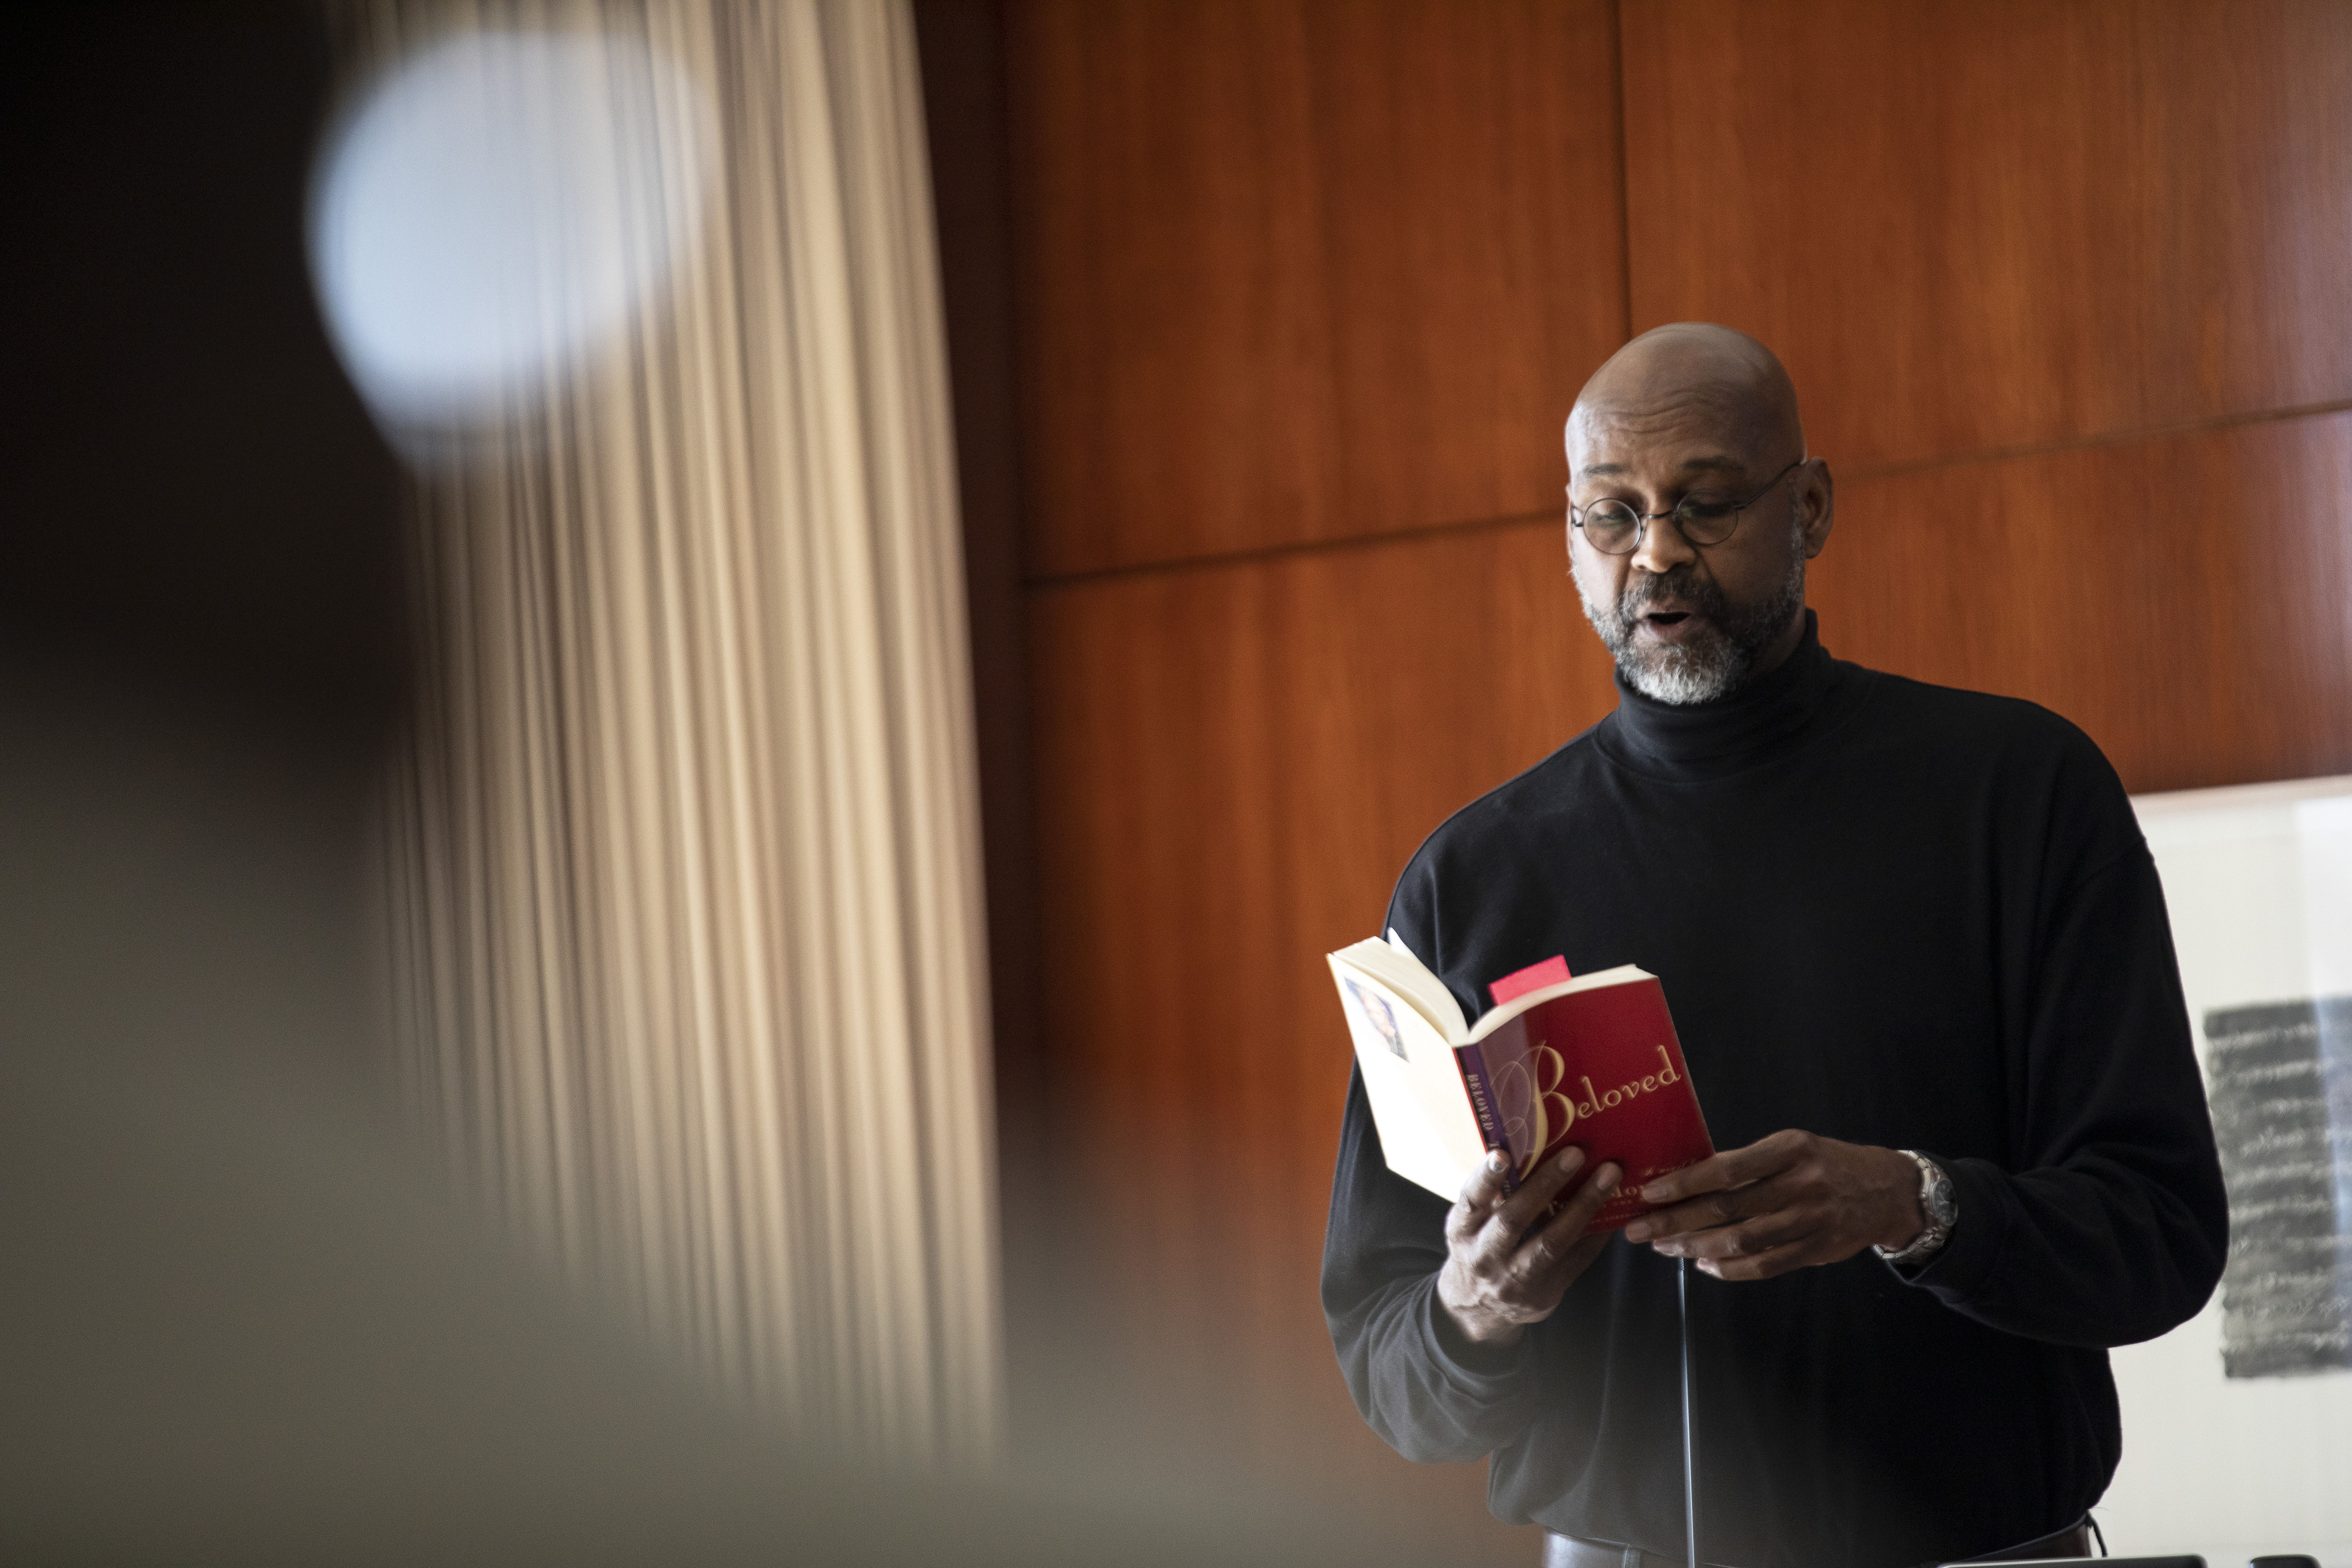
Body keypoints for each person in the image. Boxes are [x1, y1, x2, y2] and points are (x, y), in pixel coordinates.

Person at [1320, 323, 2229, 1568]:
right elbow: (1391, 1372)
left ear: (1808, 507)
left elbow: (2163, 1241)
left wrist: (1916, 1206)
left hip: (1981, 1551)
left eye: (1703, 504)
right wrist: (1476, 1310)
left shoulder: (2020, 795)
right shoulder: (1473, 878)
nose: (1657, 554)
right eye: (1611, 514)